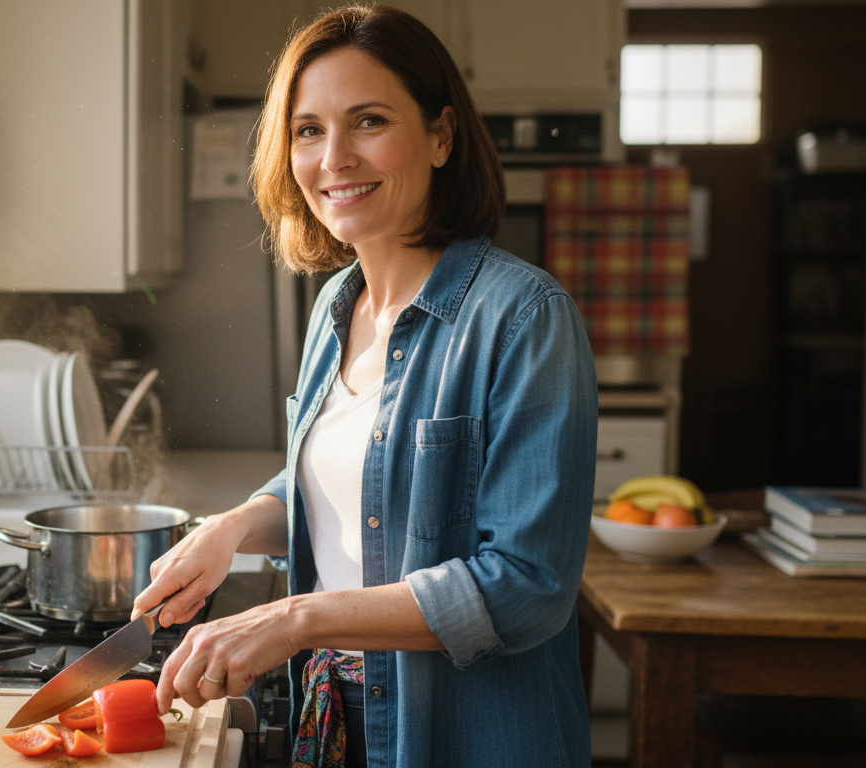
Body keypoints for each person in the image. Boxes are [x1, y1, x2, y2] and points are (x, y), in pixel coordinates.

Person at [132, 5, 598, 766]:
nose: (333, 157)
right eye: (309, 130)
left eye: (369, 121)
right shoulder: (335, 307)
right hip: (338, 722)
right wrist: (235, 527)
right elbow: (359, 487)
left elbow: (527, 584)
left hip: (465, 735)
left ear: (441, 135)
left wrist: (294, 619)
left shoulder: (523, 318)